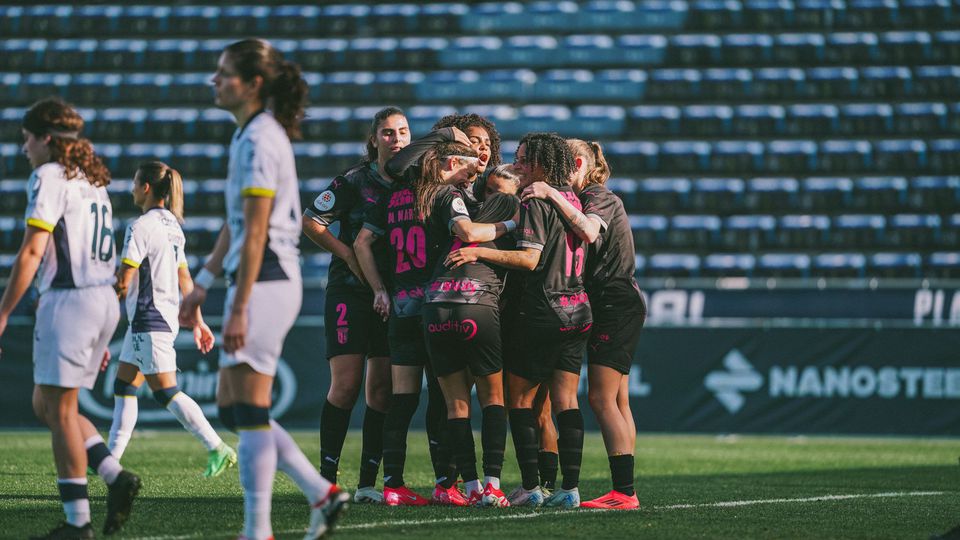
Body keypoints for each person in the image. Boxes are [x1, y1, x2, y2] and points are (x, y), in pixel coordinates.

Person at [178, 39, 347, 540]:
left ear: (253, 84)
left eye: (224, 73)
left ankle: (258, 530)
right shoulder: (250, 134)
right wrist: (203, 283)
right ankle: (321, 492)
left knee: (249, 411)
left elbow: (254, 233)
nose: (215, 80)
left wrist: (239, 308)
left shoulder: (257, 139)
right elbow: (238, 223)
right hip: (260, 279)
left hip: (266, 281)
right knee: (233, 408)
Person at [0, 97, 139, 539]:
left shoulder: (48, 175)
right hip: (102, 299)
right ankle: (114, 476)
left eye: (26, 140)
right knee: (49, 403)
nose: (24, 149)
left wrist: (2, 312)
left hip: (73, 301)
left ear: (45, 139)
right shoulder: (91, 179)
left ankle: (78, 523)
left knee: (58, 411)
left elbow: (33, 250)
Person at [446, 132, 591, 509]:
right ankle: (570, 489)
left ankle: (530, 486)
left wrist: (477, 251)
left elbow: (529, 259)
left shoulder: (534, 198)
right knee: (565, 400)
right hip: (578, 307)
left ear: (542, 162)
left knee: (518, 402)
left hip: (543, 309)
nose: (518, 164)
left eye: (524, 158)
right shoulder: (573, 197)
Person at [353, 138, 481, 506]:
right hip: (436, 305)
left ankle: (392, 483)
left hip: (401, 307)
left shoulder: (393, 197)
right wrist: (510, 221)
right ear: (445, 163)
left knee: (401, 402)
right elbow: (468, 233)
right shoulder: (444, 196)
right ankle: (448, 484)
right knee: (446, 400)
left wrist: (379, 290)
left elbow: (362, 243)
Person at [520, 139, 645, 510]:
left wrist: (547, 192)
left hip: (613, 301)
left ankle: (624, 492)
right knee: (619, 399)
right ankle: (624, 488)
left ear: (577, 163)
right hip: (618, 301)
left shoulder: (598, 196)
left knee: (601, 397)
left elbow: (590, 232)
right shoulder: (591, 196)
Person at [303, 107, 410, 503]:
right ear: (374, 139)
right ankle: (325, 479)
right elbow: (311, 220)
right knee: (345, 386)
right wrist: (348, 254)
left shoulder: (415, 181)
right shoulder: (352, 181)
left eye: (402, 131)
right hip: (350, 290)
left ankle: (367, 483)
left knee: (380, 391)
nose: (396, 139)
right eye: (387, 132)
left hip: (394, 294)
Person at [108, 161, 237, 479]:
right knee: (124, 385)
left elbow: (125, 278)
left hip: (147, 319)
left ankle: (218, 447)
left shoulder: (140, 226)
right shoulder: (172, 226)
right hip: (158, 318)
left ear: (146, 188)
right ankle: (109, 460)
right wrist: (199, 320)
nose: (132, 188)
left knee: (166, 391)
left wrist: (102, 311)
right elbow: (185, 280)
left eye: (135, 182)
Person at [422, 183, 520, 508]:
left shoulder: (456, 233)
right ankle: (492, 486)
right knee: (494, 399)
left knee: (456, 406)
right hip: (475, 304)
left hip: (435, 305)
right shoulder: (507, 235)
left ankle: (471, 486)